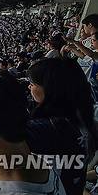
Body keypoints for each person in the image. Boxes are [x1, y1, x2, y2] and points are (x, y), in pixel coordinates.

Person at [26, 58, 96, 195]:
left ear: (50, 89)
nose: (29, 87)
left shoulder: (48, 129)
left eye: (32, 83)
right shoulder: (82, 117)